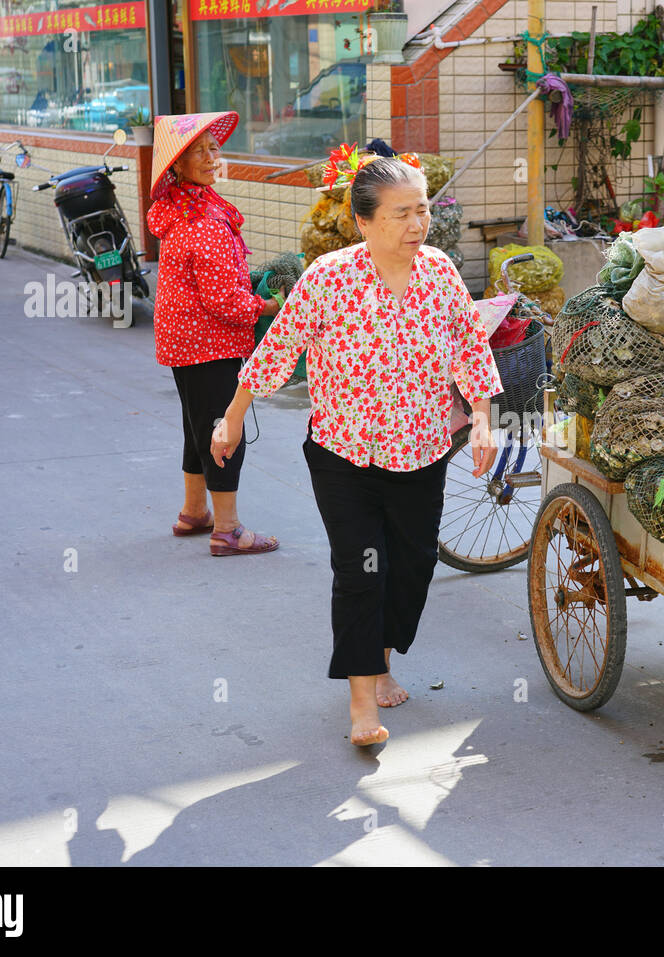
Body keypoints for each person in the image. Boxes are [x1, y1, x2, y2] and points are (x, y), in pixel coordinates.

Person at [211, 148, 502, 746]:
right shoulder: (327, 278)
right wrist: (232, 418)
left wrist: (481, 419)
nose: (417, 224)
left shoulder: (441, 273)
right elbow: (278, 349)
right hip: (344, 455)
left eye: (421, 210)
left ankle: (383, 653)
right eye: (401, 213)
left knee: (412, 566)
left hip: (421, 453)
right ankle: (361, 702)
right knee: (362, 570)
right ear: (363, 220)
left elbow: (471, 350)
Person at [147, 111, 280, 556]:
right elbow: (225, 301)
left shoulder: (177, 208)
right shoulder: (204, 221)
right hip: (210, 342)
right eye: (196, 151)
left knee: (197, 426)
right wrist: (266, 306)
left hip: (181, 341)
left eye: (212, 148)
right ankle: (228, 529)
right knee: (225, 430)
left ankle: (194, 512)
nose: (209, 157)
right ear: (176, 165)